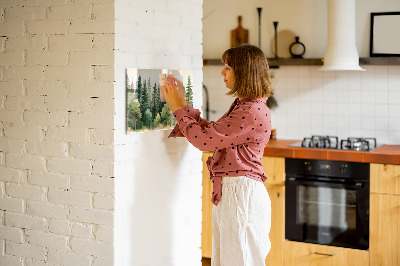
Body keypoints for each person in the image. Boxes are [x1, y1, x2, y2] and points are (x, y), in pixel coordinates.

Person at [161, 44, 273, 266]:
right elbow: (212, 133)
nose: (222, 72)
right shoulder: (246, 106)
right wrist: (182, 104)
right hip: (236, 193)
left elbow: (204, 141)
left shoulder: (250, 111)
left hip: (241, 195)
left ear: (244, 72)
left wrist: (176, 108)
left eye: (228, 67)